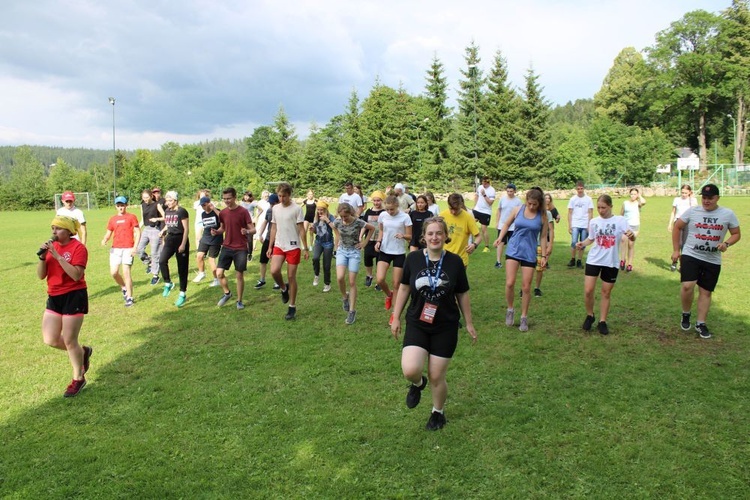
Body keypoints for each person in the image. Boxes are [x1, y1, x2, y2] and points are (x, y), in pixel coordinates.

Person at [390, 216, 477, 431]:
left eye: (439, 233)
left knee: (437, 375)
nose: (435, 237)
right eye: (430, 233)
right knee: (410, 369)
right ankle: (419, 384)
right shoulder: (413, 259)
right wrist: (395, 316)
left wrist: (468, 322)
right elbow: (403, 288)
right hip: (417, 322)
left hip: (445, 326)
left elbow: (462, 293)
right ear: (423, 237)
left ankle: (437, 413)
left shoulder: (455, 261)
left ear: (446, 236)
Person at [672, 184, 741, 339]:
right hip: (691, 254)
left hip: (712, 258)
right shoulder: (693, 211)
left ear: (717, 198)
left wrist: (726, 244)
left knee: (705, 291)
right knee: (687, 286)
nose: (706, 201)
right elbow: (677, 227)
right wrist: (676, 250)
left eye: (710, 198)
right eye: (704, 197)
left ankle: (700, 323)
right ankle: (686, 313)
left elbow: (736, 233)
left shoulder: (727, 214)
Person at [37, 215, 92, 397]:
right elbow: (40, 276)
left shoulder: (78, 248)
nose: (54, 232)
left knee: (69, 340)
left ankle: (78, 378)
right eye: (53, 228)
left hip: (73, 296)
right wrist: (43, 258)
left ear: (69, 231)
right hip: (54, 296)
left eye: (58, 229)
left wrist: (58, 256)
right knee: (50, 339)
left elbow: (76, 275)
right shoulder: (51, 249)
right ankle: (82, 352)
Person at [576, 195, 634, 335]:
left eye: (604, 207)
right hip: (594, 260)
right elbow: (591, 238)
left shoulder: (620, 221)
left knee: (605, 292)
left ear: (610, 206)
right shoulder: (594, 221)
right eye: (599, 207)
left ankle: (602, 321)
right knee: (589, 290)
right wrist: (582, 244)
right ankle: (590, 315)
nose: (601, 210)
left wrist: (632, 235)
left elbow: (632, 237)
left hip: (611, 262)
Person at [495, 189, 548, 332]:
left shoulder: (542, 216)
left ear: (539, 203)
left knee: (526, 287)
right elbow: (506, 224)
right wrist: (500, 238)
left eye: (534, 204)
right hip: (513, 249)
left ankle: (524, 317)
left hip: (529, 253)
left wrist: (543, 256)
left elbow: (543, 237)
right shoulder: (517, 209)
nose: (531, 207)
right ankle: (510, 309)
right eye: (529, 203)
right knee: (510, 282)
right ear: (526, 201)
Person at [268, 182, 309, 320]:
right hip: (279, 244)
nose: (281, 199)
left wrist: (305, 248)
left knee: (291, 277)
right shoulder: (275, 209)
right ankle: (284, 288)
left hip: (293, 246)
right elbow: (273, 228)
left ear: (289, 195)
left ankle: (292, 306)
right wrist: (270, 246)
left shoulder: (297, 209)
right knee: (274, 271)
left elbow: (301, 229)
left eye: (284, 196)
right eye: (279, 196)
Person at [331, 203, 375, 324]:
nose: (343, 219)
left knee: (351, 281)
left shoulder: (358, 222)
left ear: (350, 213)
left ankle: (352, 311)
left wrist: (364, 243)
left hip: (354, 252)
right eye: (341, 216)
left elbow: (372, 228)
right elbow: (335, 230)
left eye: (345, 216)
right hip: (342, 251)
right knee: (340, 278)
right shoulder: (338, 222)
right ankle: (345, 297)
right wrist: (336, 245)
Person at [214, 187, 255, 310]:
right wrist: (217, 232)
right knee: (219, 273)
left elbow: (253, 229)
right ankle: (227, 293)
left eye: (229, 198)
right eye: (225, 199)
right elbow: (223, 228)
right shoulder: (223, 213)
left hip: (240, 248)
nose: (226, 201)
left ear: (235, 197)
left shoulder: (243, 211)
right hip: (227, 246)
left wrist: (246, 231)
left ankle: (239, 301)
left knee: (239, 276)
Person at [376, 195, 413, 325]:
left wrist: (403, 235)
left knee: (397, 284)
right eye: (387, 209)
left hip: (399, 252)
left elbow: (410, 237)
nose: (389, 212)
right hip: (385, 250)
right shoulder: (383, 215)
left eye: (392, 209)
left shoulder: (405, 217)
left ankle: (394, 314)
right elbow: (381, 230)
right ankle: (389, 295)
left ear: (397, 206)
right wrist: (378, 241)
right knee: (380, 279)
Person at [101, 196, 140, 307]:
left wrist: (135, 247)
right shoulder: (113, 219)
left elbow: (138, 232)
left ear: (126, 205)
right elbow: (109, 232)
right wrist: (105, 239)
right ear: (116, 207)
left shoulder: (132, 217)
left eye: (122, 205)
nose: (120, 207)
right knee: (113, 272)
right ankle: (123, 287)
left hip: (128, 248)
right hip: (115, 248)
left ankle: (130, 297)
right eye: (118, 206)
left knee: (126, 272)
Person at [159, 191, 190, 307]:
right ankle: (168, 283)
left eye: (170, 200)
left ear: (176, 200)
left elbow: (186, 229)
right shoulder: (167, 211)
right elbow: (169, 223)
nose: (167, 203)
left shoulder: (182, 211)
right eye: (166, 200)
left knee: (182, 268)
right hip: (170, 239)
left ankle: (182, 293)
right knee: (162, 260)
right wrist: (163, 231)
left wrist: (183, 244)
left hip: (180, 239)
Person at [440, 193, 481, 268]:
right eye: (451, 208)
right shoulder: (442, 216)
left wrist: (474, 245)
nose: (453, 212)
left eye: (456, 209)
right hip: (443, 257)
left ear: (461, 205)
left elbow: (478, 236)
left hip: (460, 259)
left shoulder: (468, 218)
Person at [137, 188, 165, 285]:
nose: (145, 199)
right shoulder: (142, 205)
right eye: (144, 197)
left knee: (155, 253)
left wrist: (156, 219)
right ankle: (149, 262)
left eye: (147, 197)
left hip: (155, 230)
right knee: (139, 249)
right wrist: (137, 228)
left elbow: (165, 217)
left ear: (151, 196)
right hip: (146, 229)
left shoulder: (156, 205)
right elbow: (142, 219)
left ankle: (155, 275)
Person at [194, 196, 223, 288]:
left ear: (209, 203)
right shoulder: (203, 214)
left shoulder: (217, 211)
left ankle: (216, 279)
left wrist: (213, 209)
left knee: (211, 260)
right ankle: (202, 273)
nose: (203, 207)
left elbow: (223, 218)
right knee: (199, 256)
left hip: (216, 238)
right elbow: (204, 225)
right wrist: (199, 233)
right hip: (205, 237)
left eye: (204, 205)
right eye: (201, 205)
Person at [667, 184, 697, 271]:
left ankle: (683, 265)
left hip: (688, 223)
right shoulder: (677, 199)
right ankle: (674, 262)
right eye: (682, 192)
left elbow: (695, 211)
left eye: (686, 193)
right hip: (678, 222)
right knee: (677, 244)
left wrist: (691, 198)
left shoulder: (693, 200)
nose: (683, 194)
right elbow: (673, 212)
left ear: (689, 193)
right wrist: (670, 223)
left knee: (685, 244)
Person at [254, 193, 279, 290]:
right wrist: (259, 234)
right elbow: (265, 222)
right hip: (268, 239)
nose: (271, 206)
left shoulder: (281, 212)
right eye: (270, 204)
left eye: (273, 204)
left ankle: (277, 282)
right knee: (263, 260)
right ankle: (262, 279)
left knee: (274, 262)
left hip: (278, 241)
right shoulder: (269, 211)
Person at [494, 183, 523, 269]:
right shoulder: (502, 199)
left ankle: (512, 260)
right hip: (502, 225)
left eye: (511, 191)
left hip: (513, 226)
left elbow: (520, 213)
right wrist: (497, 222)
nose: (509, 193)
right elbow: (499, 211)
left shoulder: (518, 201)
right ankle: (498, 261)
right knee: (500, 242)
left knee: (512, 244)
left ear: (514, 191)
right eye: (508, 191)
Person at [362, 190, 386, 288]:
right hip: (369, 239)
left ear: (382, 201)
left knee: (379, 261)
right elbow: (364, 225)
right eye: (374, 201)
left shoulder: (384, 212)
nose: (376, 203)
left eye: (378, 200)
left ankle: (378, 281)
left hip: (380, 240)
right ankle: (369, 276)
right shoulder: (368, 211)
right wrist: (360, 236)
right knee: (367, 258)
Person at [567, 181, 594, 269]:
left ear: (584, 188)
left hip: (585, 224)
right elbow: (570, 212)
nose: (580, 190)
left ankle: (579, 260)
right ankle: (572, 259)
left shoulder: (588, 199)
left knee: (582, 243)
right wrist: (570, 225)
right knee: (574, 242)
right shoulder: (572, 199)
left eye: (581, 188)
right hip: (575, 223)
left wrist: (589, 225)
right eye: (578, 189)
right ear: (576, 189)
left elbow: (590, 212)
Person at [619, 188, 646, 272]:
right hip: (626, 226)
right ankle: (622, 260)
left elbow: (644, 202)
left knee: (631, 245)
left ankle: (630, 264)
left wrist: (639, 195)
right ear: (629, 194)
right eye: (632, 194)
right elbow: (621, 214)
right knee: (623, 240)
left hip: (635, 227)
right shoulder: (625, 203)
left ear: (637, 195)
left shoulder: (638, 203)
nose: (633, 196)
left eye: (635, 194)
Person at [310, 200, 335, 292]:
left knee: (326, 265)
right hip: (318, 241)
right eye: (318, 210)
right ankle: (317, 274)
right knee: (315, 258)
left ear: (326, 210)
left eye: (322, 210)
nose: (320, 212)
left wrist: (327, 220)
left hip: (328, 243)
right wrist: (313, 229)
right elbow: (317, 231)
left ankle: (327, 284)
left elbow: (335, 227)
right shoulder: (316, 218)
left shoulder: (330, 217)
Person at [472, 176, 496, 253]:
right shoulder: (480, 187)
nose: (483, 184)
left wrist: (484, 194)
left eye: (485, 183)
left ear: (488, 183)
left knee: (483, 229)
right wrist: (475, 206)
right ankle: (469, 243)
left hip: (486, 212)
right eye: (482, 182)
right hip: (477, 209)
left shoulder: (492, 190)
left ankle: (487, 246)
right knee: (470, 224)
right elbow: (477, 196)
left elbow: (490, 203)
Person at [239, 191, 258, 260]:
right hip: (243, 222)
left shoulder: (253, 203)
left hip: (250, 223)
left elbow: (261, 209)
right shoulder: (242, 203)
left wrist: (256, 217)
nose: (246, 197)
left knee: (249, 239)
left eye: (247, 196)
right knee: (242, 238)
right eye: (245, 196)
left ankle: (249, 254)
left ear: (250, 197)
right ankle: (243, 252)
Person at [543, 193, 560, 268]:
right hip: (543, 230)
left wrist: (558, 218)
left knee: (549, 246)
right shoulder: (541, 208)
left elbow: (557, 220)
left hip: (549, 230)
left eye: (548, 198)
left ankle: (546, 261)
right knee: (544, 245)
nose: (547, 199)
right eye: (546, 198)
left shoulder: (552, 209)